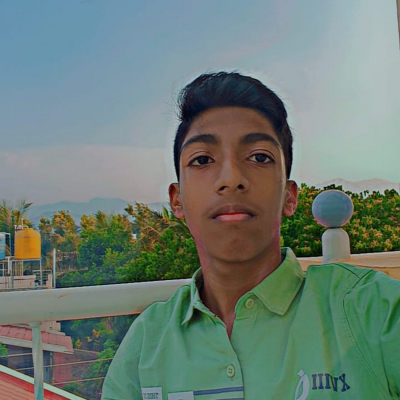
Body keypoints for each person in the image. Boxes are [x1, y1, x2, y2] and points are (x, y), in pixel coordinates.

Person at [102, 72, 400, 400]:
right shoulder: (146, 343)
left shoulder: (371, 311)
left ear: (289, 196)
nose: (231, 179)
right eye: (202, 159)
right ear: (177, 200)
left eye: (259, 157)